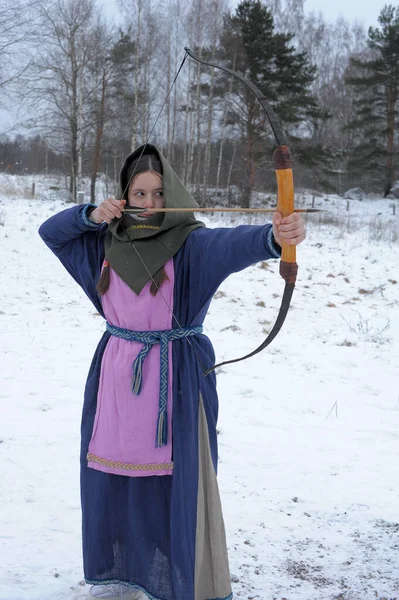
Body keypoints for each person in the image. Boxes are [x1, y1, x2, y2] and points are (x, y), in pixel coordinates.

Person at [39, 144, 306, 600]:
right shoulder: (102, 245)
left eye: (159, 194)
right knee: (114, 476)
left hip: (177, 375)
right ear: (123, 196)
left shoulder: (192, 244)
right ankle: (122, 571)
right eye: (138, 193)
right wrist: (88, 215)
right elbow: (51, 232)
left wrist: (278, 233)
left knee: (176, 481)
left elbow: (236, 243)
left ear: (173, 195)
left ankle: (181, 578)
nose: (148, 203)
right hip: (116, 374)